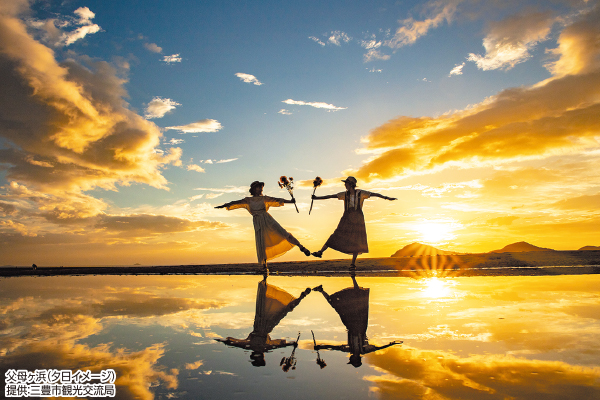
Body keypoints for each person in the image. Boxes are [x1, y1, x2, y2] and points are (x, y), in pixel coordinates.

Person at [215, 181, 310, 273]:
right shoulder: (248, 200)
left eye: (261, 187)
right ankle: (264, 266)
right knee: (261, 243)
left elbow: (276, 200)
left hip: (268, 219)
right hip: (258, 222)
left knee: (283, 233)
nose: (260, 188)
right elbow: (235, 202)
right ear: (254, 189)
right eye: (258, 187)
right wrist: (224, 205)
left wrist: (290, 201)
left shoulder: (264, 198)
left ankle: (302, 247)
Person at [215, 276, 311, 367]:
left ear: (260, 357)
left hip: (266, 326)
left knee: (283, 311)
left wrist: (290, 343)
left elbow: (277, 346)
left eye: (262, 358)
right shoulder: (250, 346)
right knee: (264, 304)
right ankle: (265, 281)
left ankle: (301, 296)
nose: (264, 357)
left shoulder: (260, 347)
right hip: (260, 323)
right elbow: (235, 343)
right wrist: (221, 340)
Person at [312, 274, 402, 368]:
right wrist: (392, 344)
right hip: (360, 324)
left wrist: (321, 347)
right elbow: (378, 348)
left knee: (338, 306)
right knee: (355, 301)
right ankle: (352, 278)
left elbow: (335, 348)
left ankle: (321, 290)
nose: (350, 359)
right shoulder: (364, 350)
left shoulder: (349, 349)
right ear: (355, 359)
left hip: (350, 324)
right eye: (351, 360)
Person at [311, 176, 396, 269]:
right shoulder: (344, 194)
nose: (345, 185)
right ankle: (320, 252)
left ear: (351, 184)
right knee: (336, 234)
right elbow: (331, 196)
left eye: (346, 183)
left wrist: (387, 198)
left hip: (358, 218)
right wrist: (316, 198)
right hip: (346, 218)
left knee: (357, 240)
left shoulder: (361, 193)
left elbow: (375, 194)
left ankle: (353, 264)